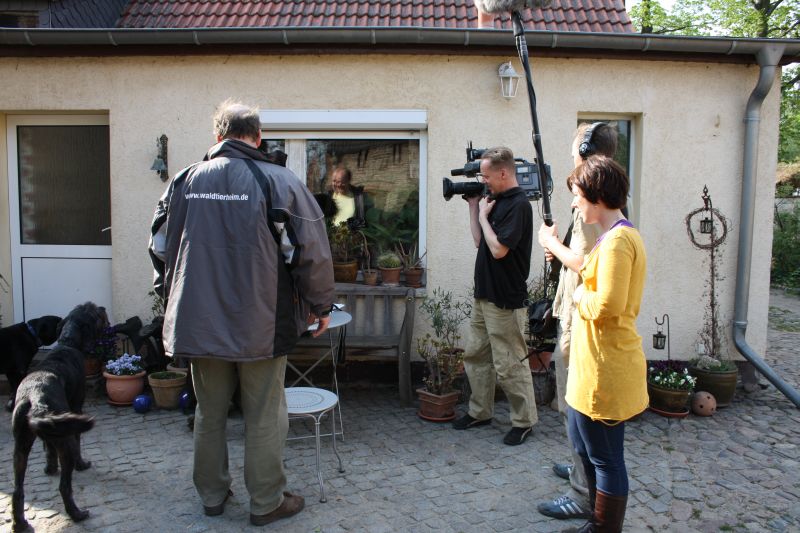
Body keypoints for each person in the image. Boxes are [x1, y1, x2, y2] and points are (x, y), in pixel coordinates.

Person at [149, 99, 335, 527]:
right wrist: (321, 304)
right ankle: (266, 502)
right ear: (258, 137)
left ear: (218, 137)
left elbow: (159, 247)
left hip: (199, 322)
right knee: (264, 413)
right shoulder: (279, 181)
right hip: (261, 323)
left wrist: (171, 295)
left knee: (209, 411)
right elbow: (310, 252)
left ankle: (212, 496)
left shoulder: (183, 181)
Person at [542, 155, 647, 532]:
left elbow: (607, 304)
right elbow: (588, 269)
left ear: (597, 196)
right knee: (584, 447)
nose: (574, 203)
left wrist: (577, 297)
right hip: (591, 367)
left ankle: (604, 528)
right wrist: (555, 246)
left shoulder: (619, 241)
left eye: (578, 195)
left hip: (607, 369)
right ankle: (595, 521)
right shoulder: (609, 238)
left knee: (606, 459)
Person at [535, 122, 618, 521]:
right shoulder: (601, 197)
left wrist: (551, 243)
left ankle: (583, 491)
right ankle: (579, 467)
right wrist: (559, 251)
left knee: (576, 405)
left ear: (585, 151)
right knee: (574, 404)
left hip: (579, 317)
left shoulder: (592, 198)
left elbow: (586, 263)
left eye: (574, 151)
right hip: (575, 310)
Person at [452, 146, 538, 446]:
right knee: (476, 356)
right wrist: (474, 207)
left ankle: (524, 421)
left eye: (487, 176)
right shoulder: (495, 201)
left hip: (505, 298)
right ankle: (480, 412)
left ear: (503, 173)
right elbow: (481, 241)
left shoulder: (519, 205)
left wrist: (485, 217)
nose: (483, 181)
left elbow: (500, 249)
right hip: (484, 293)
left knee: (509, 363)